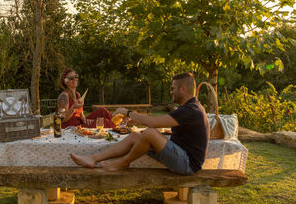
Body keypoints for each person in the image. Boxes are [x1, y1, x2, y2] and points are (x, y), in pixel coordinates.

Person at [70, 72, 210, 175]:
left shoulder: (191, 110)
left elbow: (153, 122)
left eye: (173, 88)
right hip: (179, 153)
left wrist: (128, 112)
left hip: (187, 164)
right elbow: (162, 124)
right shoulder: (189, 107)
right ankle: (92, 158)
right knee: (135, 136)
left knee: (149, 133)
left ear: (183, 89)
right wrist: (134, 120)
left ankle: (123, 162)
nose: (171, 91)